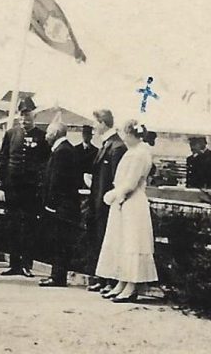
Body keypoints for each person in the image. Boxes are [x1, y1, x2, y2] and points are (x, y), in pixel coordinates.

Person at [95, 120, 159, 302]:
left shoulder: (139, 154)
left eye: (125, 133)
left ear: (131, 134)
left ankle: (131, 286)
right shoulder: (133, 152)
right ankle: (121, 283)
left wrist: (115, 194)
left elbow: (130, 183)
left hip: (132, 202)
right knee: (121, 242)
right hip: (123, 203)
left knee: (132, 243)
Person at [0, 98, 49, 277]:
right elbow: (3, 159)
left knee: (29, 227)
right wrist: (0, 186)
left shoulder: (42, 136)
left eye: (28, 115)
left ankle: (26, 265)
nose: (25, 119)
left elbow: (45, 163)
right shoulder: (11, 134)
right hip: (13, 188)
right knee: (12, 226)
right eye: (22, 115)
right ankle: (14, 264)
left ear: (34, 115)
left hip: (31, 190)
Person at [38, 116, 84, 287]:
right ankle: (57, 275)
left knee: (59, 241)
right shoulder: (65, 149)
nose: (46, 136)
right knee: (59, 241)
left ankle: (57, 276)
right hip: (64, 206)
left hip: (60, 207)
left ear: (56, 133)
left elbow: (57, 181)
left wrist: (50, 204)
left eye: (49, 133)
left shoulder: (62, 151)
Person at [85, 109, 128, 293]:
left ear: (102, 123)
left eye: (95, 123)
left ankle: (110, 280)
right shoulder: (107, 145)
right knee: (100, 240)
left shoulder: (117, 147)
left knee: (109, 241)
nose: (94, 127)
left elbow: (116, 180)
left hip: (107, 204)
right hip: (98, 203)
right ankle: (102, 279)